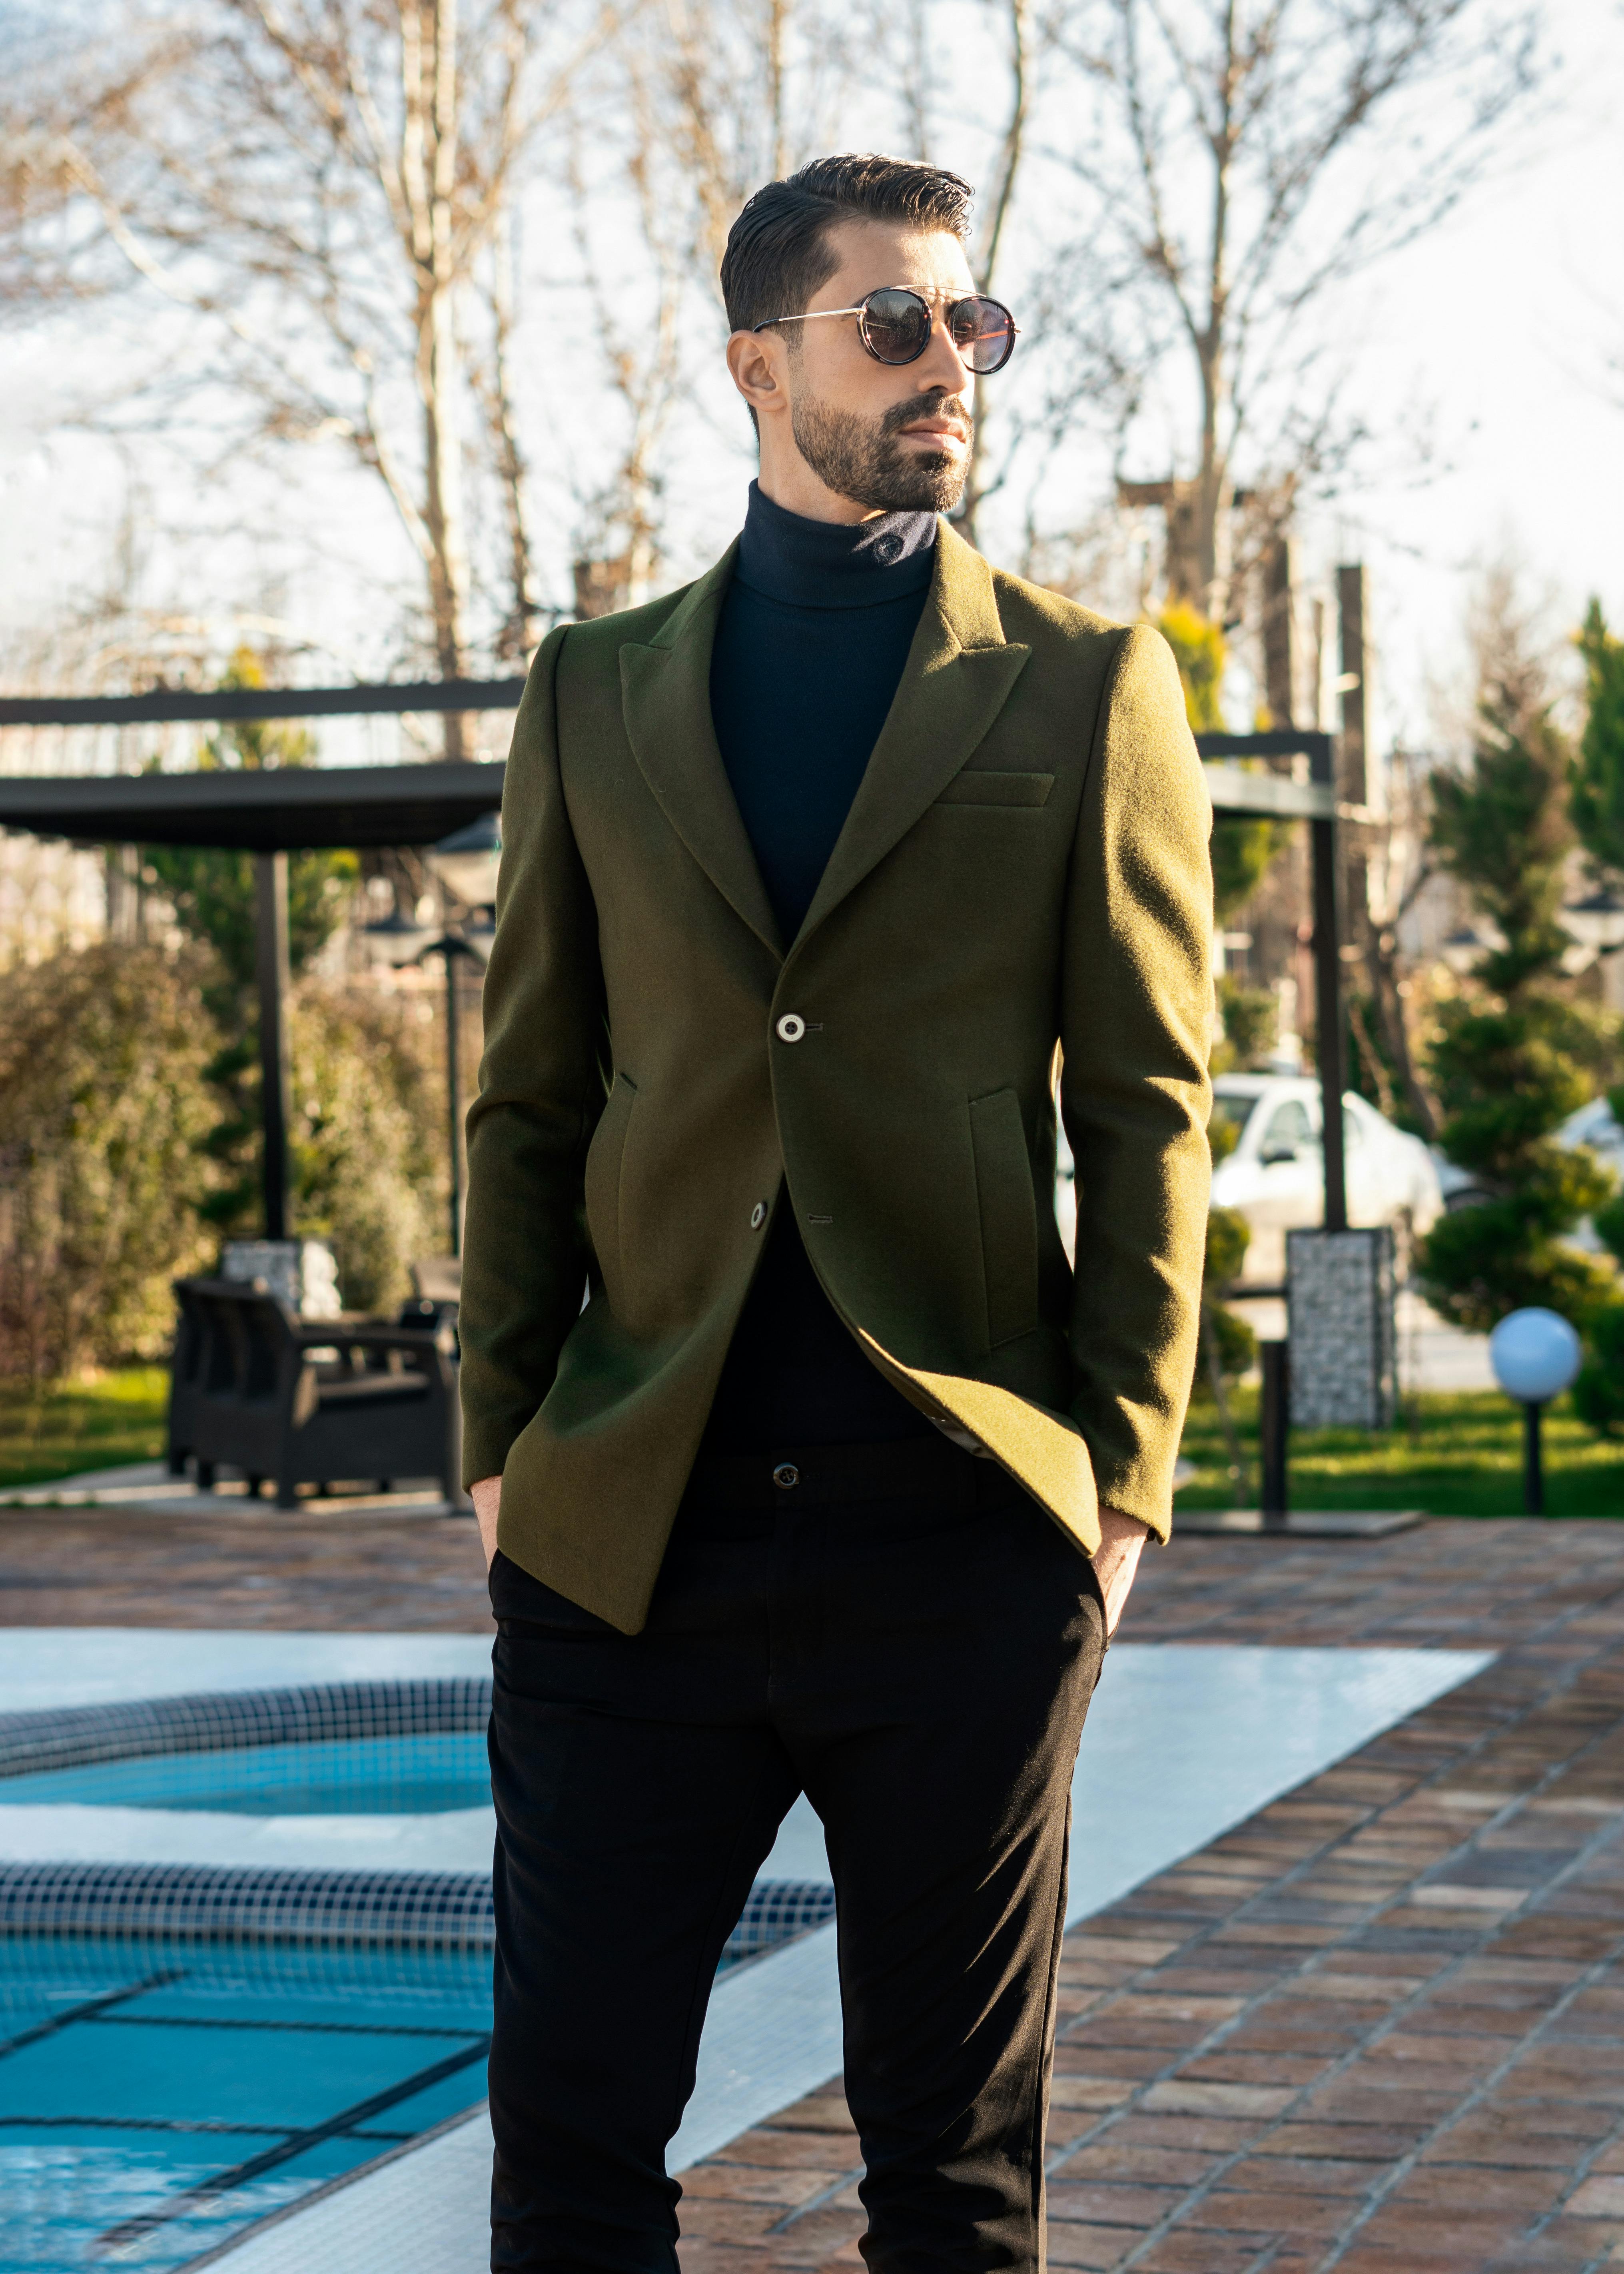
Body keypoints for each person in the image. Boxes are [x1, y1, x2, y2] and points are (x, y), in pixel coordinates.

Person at [460, 151, 1213, 2272]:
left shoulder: (1082, 682)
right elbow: (526, 1093)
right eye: (893, 322)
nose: (946, 362)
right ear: (756, 364)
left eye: (968, 322)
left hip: (960, 1534)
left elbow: (1152, 1100)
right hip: (628, 1541)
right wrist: (503, 1447)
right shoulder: (592, 689)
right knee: (573, 2162)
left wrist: (1120, 1482)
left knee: (954, 2185)